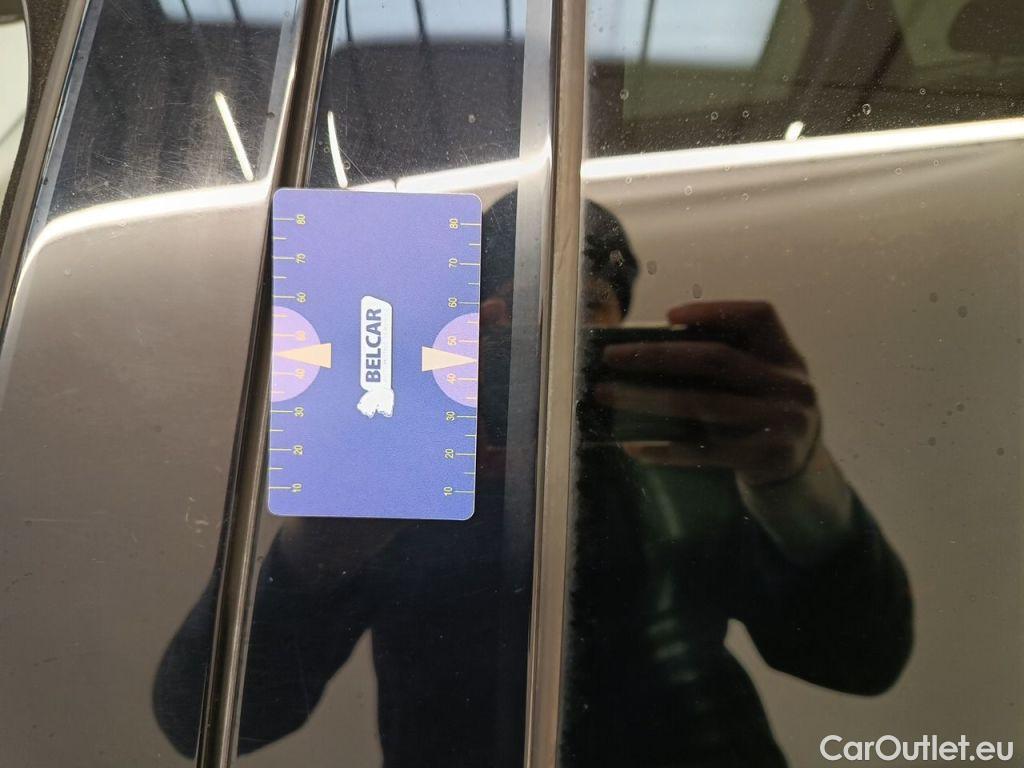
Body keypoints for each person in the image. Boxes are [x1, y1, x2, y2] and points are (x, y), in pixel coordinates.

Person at [154, 194, 912, 767]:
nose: (550, 348)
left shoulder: (687, 451)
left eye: (584, 311)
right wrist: (322, 541)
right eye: (519, 319)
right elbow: (209, 718)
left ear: (624, 329)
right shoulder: (405, 473)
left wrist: (795, 475)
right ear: (471, 329)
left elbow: (861, 660)